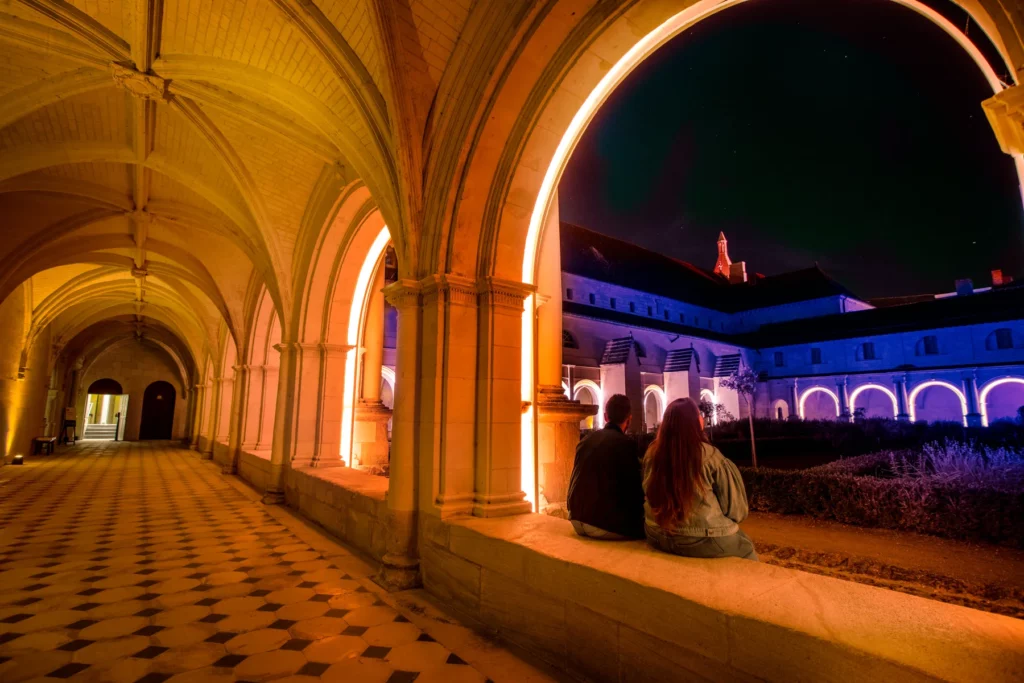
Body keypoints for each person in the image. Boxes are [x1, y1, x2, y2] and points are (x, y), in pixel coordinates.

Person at [643, 397, 758, 561]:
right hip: (701, 539)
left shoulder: (652, 454)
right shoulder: (710, 456)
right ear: (695, 422)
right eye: (699, 414)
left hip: (656, 533)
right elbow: (736, 510)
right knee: (746, 549)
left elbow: (647, 490)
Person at [566, 394, 645, 540]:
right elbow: (634, 492)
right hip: (603, 524)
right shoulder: (625, 445)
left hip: (576, 519)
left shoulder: (586, 440)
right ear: (629, 419)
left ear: (605, 416)